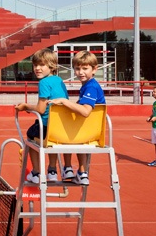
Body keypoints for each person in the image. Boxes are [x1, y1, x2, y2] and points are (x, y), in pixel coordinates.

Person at [49, 50, 105, 186]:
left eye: (85, 68)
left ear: (94, 69)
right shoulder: (87, 86)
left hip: (88, 133)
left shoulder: (91, 87)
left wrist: (63, 100)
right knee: (72, 130)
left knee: (61, 130)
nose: (81, 72)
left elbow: (86, 112)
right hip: (86, 133)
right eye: (77, 68)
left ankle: (64, 168)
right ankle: (80, 173)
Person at [15, 49, 68, 184]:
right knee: (52, 141)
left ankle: (37, 173)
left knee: (30, 135)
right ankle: (52, 171)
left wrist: (26, 107)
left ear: (51, 66)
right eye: (35, 65)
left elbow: (41, 109)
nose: (37, 68)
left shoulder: (43, 83)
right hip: (60, 127)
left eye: (41, 65)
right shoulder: (59, 80)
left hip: (46, 125)